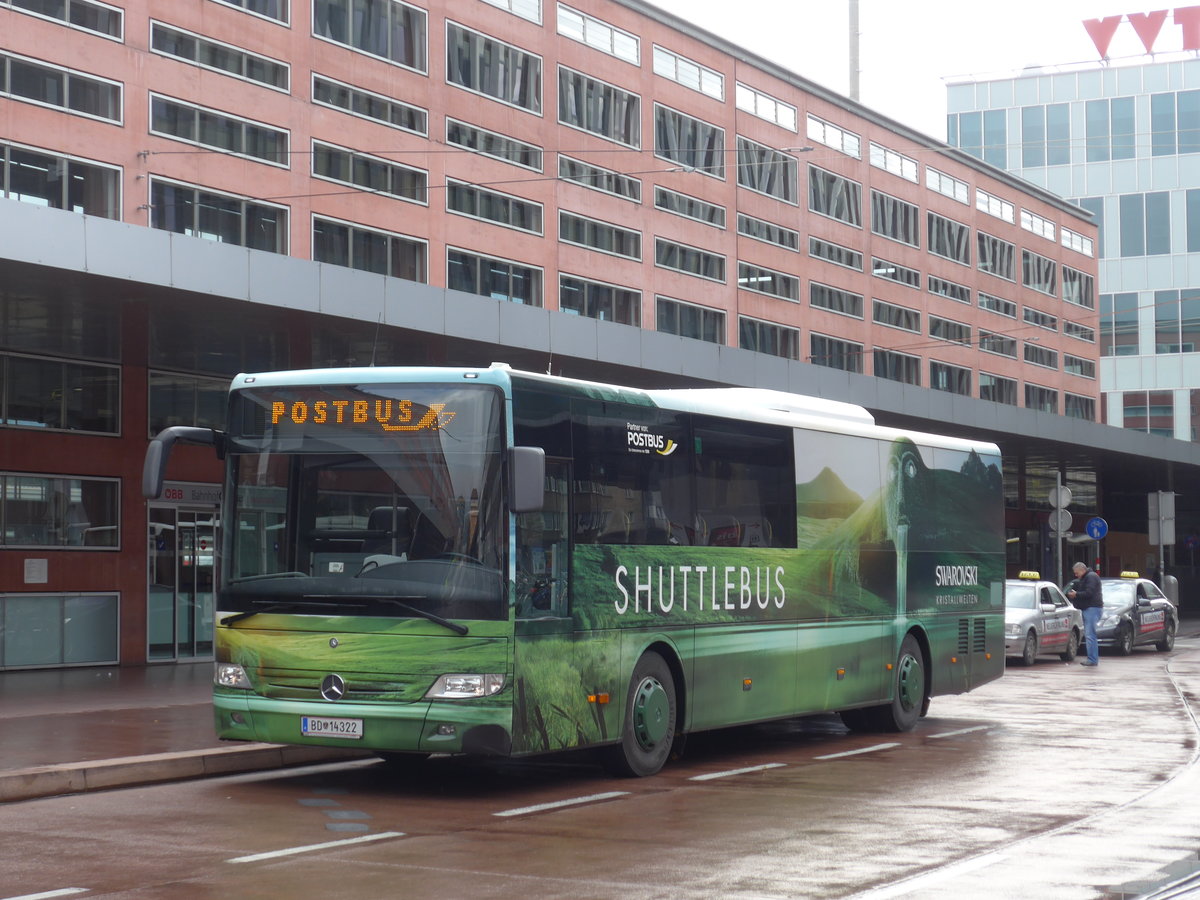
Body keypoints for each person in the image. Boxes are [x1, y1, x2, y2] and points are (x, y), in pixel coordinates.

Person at [1067, 561, 1104, 667]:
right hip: (1090, 608)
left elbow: (1089, 592)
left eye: (1076, 572)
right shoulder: (1087, 577)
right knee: (1090, 634)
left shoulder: (1091, 577)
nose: (1075, 575)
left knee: (1090, 635)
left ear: (1082, 570)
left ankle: (1092, 659)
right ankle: (1092, 658)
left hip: (1092, 608)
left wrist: (1076, 594)